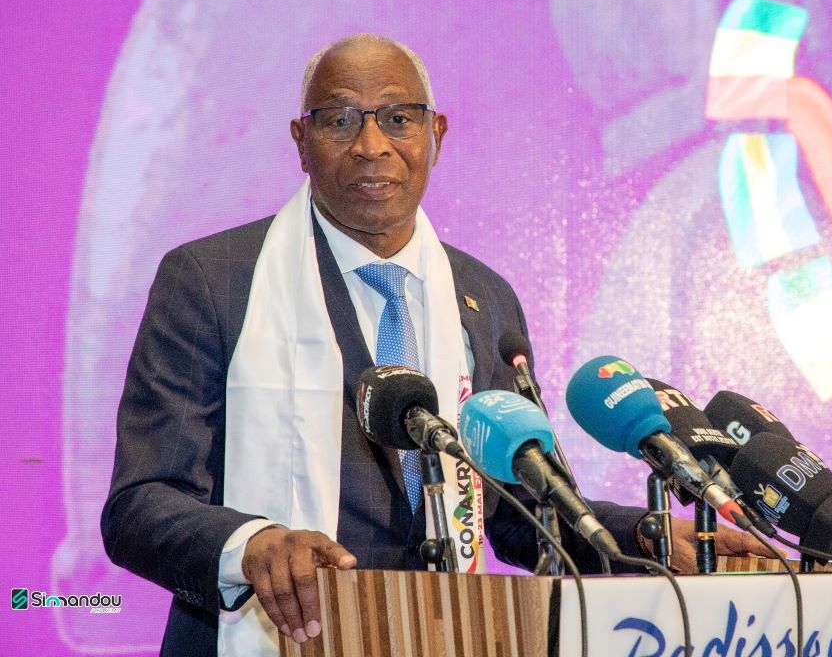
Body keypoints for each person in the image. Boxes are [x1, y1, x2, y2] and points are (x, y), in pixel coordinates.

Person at [101, 34, 768, 657]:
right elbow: (140, 503)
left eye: (398, 118)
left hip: (449, 635)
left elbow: (520, 513)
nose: (371, 145)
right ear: (301, 141)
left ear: (435, 134)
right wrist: (251, 544)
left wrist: (647, 537)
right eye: (339, 120)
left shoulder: (484, 298)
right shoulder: (213, 281)